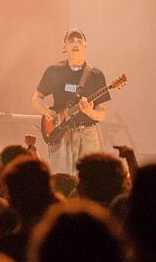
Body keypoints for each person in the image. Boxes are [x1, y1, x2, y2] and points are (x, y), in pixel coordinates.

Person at [30, 28, 111, 173]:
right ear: (64, 46)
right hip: (60, 133)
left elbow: (102, 113)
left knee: (91, 177)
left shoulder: (96, 75)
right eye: (71, 41)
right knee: (61, 178)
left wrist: (90, 111)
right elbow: (37, 98)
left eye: (79, 41)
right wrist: (46, 113)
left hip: (87, 133)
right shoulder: (54, 71)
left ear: (85, 46)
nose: (75, 44)